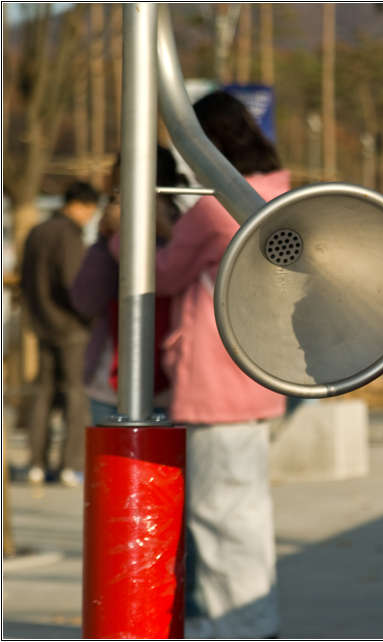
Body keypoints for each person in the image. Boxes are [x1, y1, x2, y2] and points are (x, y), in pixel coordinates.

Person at [112, 91, 289, 638]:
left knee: (217, 516)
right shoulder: (278, 193)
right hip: (259, 372)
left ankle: (235, 625)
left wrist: (124, 233)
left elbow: (160, 273)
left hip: (214, 377)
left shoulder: (217, 206)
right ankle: (255, 618)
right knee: (248, 514)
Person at [70, 147, 184, 425]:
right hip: (111, 384)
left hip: (176, 385)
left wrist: (165, 232)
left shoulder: (187, 229)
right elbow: (86, 300)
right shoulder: (110, 238)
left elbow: (175, 278)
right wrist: (108, 239)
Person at [19, 181, 99, 486]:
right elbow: (73, 282)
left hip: (41, 323)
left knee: (43, 393)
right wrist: (88, 317)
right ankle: (70, 464)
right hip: (70, 326)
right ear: (78, 205)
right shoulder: (68, 234)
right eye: (90, 210)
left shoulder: (38, 232)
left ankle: (36, 463)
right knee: (75, 395)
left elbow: (26, 280)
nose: (90, 217)